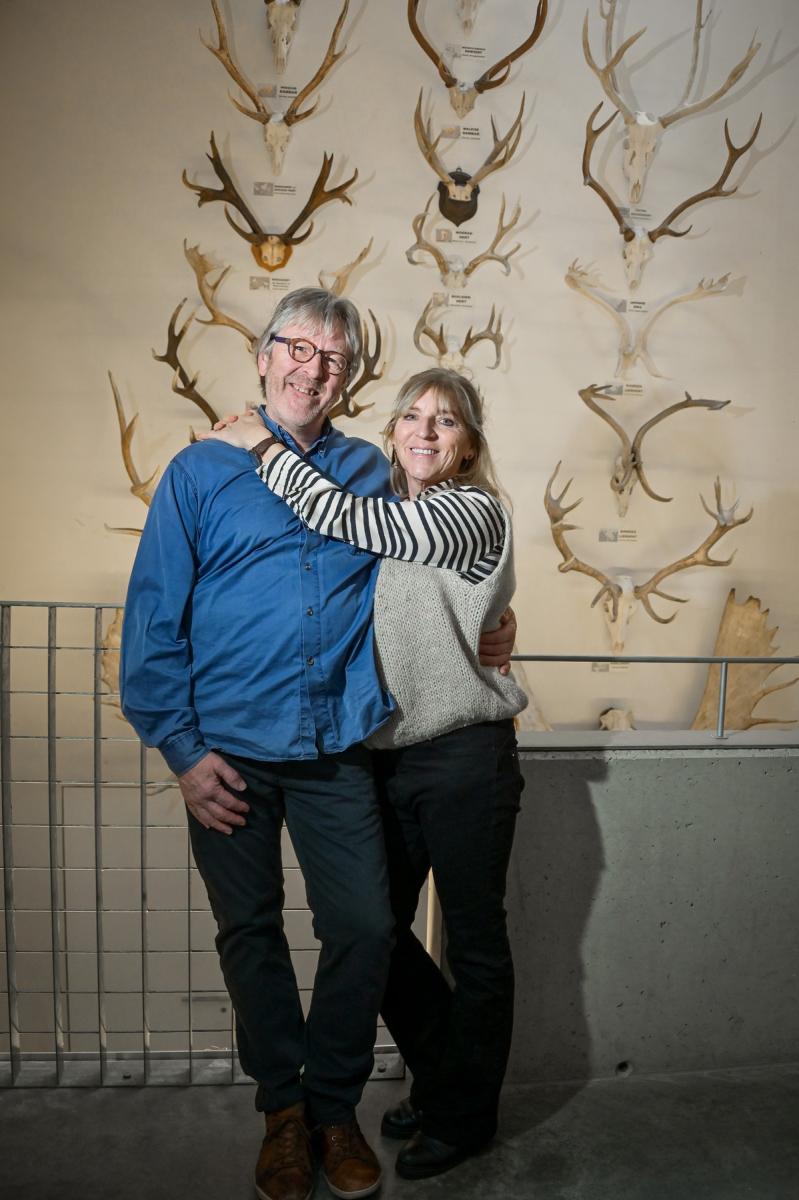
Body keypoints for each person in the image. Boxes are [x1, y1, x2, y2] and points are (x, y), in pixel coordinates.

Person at [119, 289, 515, 1200]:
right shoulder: (198, 472)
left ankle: (335, 1105)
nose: (311, 368)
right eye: (295, 349)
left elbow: (426, 566)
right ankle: (284, 1118)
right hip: (227, 754)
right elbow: (151, 623)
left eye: (332, 359)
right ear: (262, 357)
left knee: (367, 928)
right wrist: (181, 752)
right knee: (249, 933)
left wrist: (500, 619)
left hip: (338, 748)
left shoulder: (370, 470)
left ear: (347, 379)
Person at [202, 366, 528, 1181]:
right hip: (384, 757)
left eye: (444, 422)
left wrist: (258, 444)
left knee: (476, 944)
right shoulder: (396, 516)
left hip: (464, 758)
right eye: (411, 417)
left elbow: (341, 516)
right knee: (372, 935)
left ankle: (465, 1115)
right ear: (391, 432)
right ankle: (450, 1078)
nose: (423, 431)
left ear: (467, 445)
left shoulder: (468, 512)